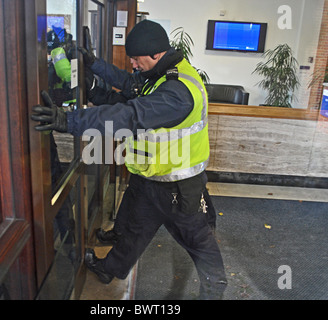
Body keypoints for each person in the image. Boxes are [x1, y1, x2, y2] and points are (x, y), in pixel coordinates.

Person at [31, 20, 227, 299]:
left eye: (136, 59)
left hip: (179, 189)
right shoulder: (159, 75)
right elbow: (129, 85)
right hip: (152, 179)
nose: (133, 64)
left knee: (200, 243)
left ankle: (215, 290)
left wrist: (68, 121)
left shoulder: (178, 92)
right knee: (135, 231)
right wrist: (95, 65)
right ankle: (108, 268)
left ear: (156, 54)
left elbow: (130, 115)